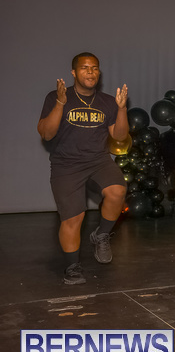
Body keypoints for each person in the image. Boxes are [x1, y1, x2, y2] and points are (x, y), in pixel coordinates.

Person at [37, 53, 129, 285]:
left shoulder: (108, 101)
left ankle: (101, 235)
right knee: (74, 217)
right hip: (66, 164)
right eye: (85, 67)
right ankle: (72, 267)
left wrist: (121, 109)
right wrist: (60, 104)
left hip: (98, 160)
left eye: (95, 68)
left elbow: (119, 137)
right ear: (74, 72)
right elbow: (46, 134)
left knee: (118, 190)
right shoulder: (56, 97)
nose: (90, 72)